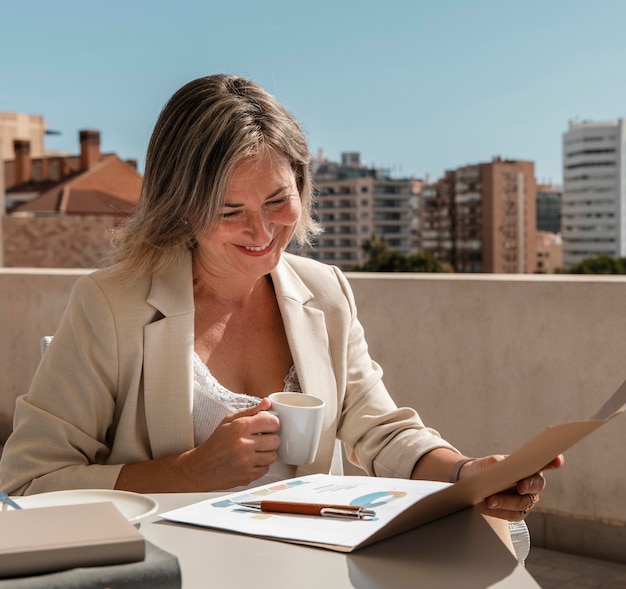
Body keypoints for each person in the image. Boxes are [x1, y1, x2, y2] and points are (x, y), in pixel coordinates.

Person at [0, 74, 562, 522]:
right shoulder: (110, 305)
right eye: (229, 211)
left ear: (301, 184)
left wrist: (466, 475)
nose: (263, 232)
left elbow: (379, 429)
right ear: (182, 207)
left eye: (277, 201)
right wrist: (191, 472)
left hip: (307, 564)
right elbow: (27, 480)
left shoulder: (326, 291)